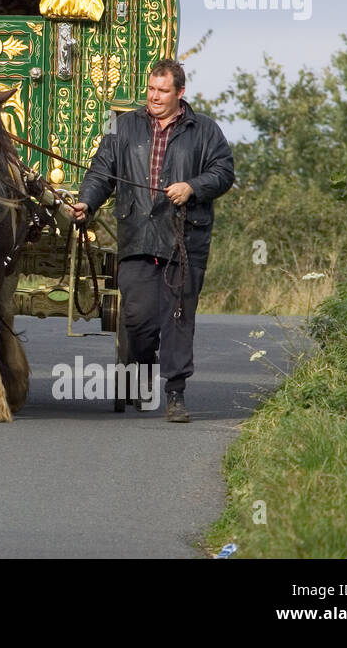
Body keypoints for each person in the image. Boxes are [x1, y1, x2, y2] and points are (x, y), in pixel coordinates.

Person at [71, 59, 234, 423]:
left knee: (177, 320)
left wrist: (192, 186)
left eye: (163, 91)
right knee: (137, 319)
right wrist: (87, 201)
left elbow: (223, 173)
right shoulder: (123, 126)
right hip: (137, 237)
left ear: (180, 92)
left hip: (183, 240)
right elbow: (102, 172)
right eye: (150, 90)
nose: (154, 97)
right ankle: (142, 369)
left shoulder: (205, 131)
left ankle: (175, 395)